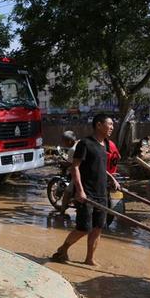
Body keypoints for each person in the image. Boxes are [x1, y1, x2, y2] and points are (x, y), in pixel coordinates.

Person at [51, 114, 120, 266]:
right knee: (83, 228)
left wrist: (112, 179)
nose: (112, 127)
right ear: (99, 125)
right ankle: (63, 249)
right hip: (87, 192)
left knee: (98, 228)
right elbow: (75, 167)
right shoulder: (85, 144)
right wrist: (80, 191)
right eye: (110, 124)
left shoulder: (105, 145)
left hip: (101, 193)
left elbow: (101, 167)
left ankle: (89, 258)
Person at [59, 130, 78, 214]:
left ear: (69, 141)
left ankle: (62, 212)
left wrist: (61, 162)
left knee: (67, 192)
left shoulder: (72, 150)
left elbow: (69, 163)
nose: (64, 144)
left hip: (80, 173)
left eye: (64, 142)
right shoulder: (80, 143)